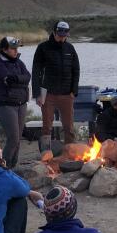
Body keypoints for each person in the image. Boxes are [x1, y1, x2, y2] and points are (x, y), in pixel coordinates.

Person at [32, 20, 80, 152]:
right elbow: (36, 72)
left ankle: (70, 153)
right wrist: (37, 94)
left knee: (69, 127)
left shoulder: (70, 48)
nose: (62, 37)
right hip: (48, 94)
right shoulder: (43, 48)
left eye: (64, 35)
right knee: (47, 126)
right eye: (59, 34)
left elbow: (76, 70)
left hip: (66, 94)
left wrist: (73, 91)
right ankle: (46, 154)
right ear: (54, 32)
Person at [0, 36, 31, 168]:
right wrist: (20, 80)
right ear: (4, 49)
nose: (15, 51)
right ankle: (4, 168)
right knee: (13, 138)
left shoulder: (18, 62)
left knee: (18, 139)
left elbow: (28, 77)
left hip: (21, 104)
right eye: (12, 48)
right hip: (6, 106)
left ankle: (13, 166)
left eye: (16, 48)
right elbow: (8, 80)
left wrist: (17, 79)